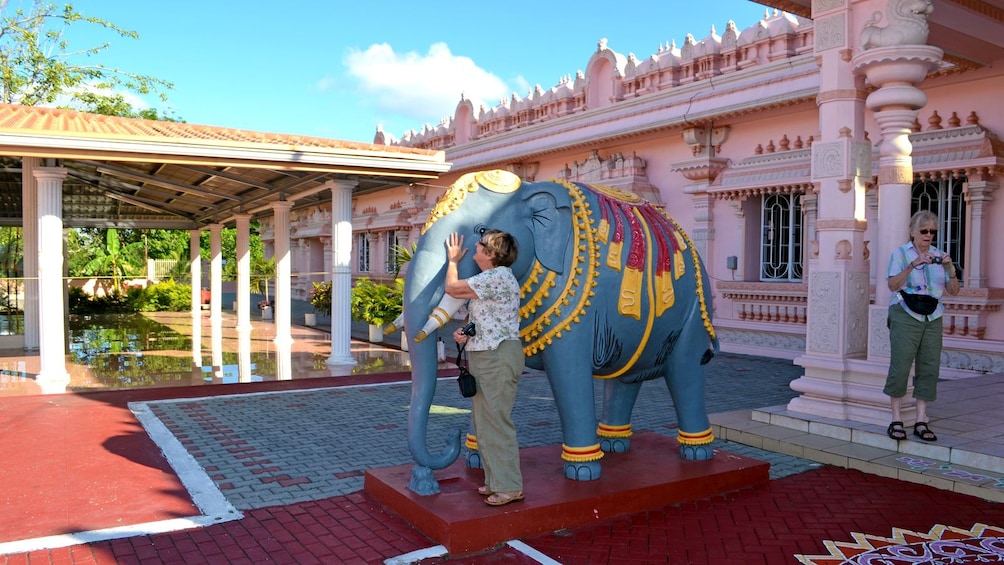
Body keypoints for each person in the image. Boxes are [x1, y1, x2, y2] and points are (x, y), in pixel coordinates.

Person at [444, 229, 525, 506]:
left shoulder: (497, 276)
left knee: (495, 421)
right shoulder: (490, 280)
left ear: (491, 254)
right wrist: (466, 332)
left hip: (497, 356)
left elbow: (452, 289)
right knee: (484, 422)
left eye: (479, 245)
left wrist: (452, 261)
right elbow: (487, 317)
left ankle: (509, 486)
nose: (474, 248)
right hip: (486, 354)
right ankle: (496, 481)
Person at [884, 210, 960, 442]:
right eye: (924, 231)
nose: (928, 235)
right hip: (905, 313)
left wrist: (950, 268)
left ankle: (921, 419)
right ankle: (896, 419)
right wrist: (913, 265)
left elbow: (954, 290)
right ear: (913, 232)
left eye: (932, 232)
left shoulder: (938, 255)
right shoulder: (900, 253)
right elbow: (892, 285)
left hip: (933, 315)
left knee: (929, 367)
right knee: (901, 365)